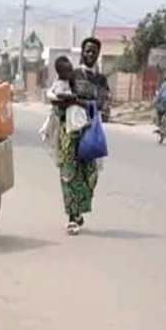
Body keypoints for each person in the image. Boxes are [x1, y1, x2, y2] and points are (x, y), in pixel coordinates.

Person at [46, 38, 106, 236]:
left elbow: (101, 105)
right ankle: (72, 217)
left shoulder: (101, 80)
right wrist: (70, 102)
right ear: (82, 52)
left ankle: (79, 211)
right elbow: (58, 98)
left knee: (90, 176)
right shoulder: (72, 74)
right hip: (69, 132)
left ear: (98, 54)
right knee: (69, 174)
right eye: (87, 51)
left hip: (90, 131)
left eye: (94, 51)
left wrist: (78, 101)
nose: (90, 54)